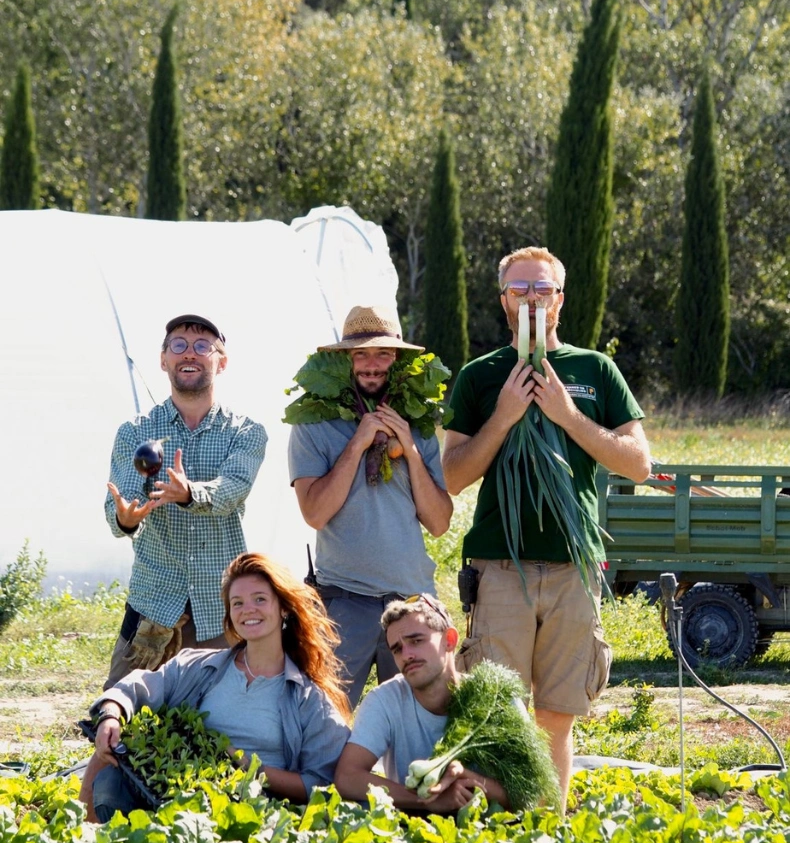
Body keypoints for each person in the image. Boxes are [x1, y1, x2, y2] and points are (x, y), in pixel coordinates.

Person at [441, 246, 651, 810]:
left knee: (557, 715)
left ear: (559, 300)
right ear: (504, 300)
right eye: (520, 290)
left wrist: (566, 414)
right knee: (499, 713)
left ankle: (548, 833)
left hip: (572, 568)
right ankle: (500, 834)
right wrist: (504, 417)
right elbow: (453, 475)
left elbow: (638, 462)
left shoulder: (594, 370)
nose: (533, 299)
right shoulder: (479, 376)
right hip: (499, 566)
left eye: (543, 289)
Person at [79, 552, 351, 822]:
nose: (248, 610)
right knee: (109, 766)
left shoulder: (308, 698)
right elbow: (137, 687)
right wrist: (111, 713)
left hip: (252, 812)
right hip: (179, 793)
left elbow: (318, 784)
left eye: (260, 599)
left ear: (284, 609)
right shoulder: (199, 666)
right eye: (237, 603)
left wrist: (247, 765)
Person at [288, 304, 453, 707]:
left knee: (419, 718)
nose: (372, 364)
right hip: (344, 599)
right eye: (361, 354)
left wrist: (411, 451)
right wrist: (359, 443)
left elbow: (439, 522)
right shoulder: (313, 424)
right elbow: (315, 513)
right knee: (328, 716)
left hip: (412, 600)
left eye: (383, 353)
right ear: (345, 359)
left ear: (397, 360)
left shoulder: (417, 424)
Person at [104, 314, 268, 688]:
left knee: (218, 725)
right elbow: (121, 505)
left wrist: (189, 493)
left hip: (219, 604)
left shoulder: (245, 432)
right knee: (120, 720)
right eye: (178, 345)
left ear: (221, 361)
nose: (188, 354)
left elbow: (232, 489)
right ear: (164, 360)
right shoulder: (136, 432)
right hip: (154, 602)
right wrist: (128, 519)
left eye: (201, 346)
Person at [334, 594, 510, 812]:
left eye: (416, 641)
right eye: (397, 649)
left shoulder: (496, 699)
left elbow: (526, 794)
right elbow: (347, 777)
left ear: (450, 640)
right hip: (409, 832)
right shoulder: (385, 701)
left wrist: (465, 776)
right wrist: (426, 799)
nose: (406, 655)